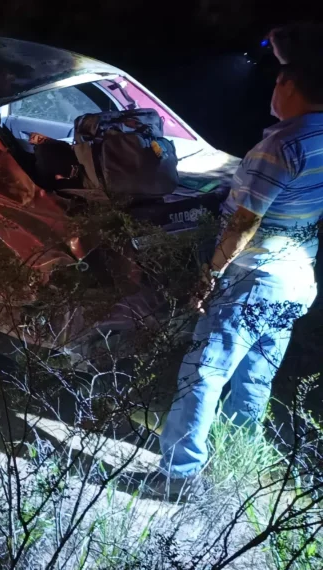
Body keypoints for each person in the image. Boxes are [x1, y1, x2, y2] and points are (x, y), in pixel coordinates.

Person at [154, 23, 323, 500]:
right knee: (255, 376)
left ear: (288, 85)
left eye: (278, 81)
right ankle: (235, 465)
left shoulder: (280, 146)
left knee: (204, 372)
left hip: (254, 277)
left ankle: (179, 475)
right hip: (296, 281)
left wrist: (210, 274)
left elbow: (245, 221)